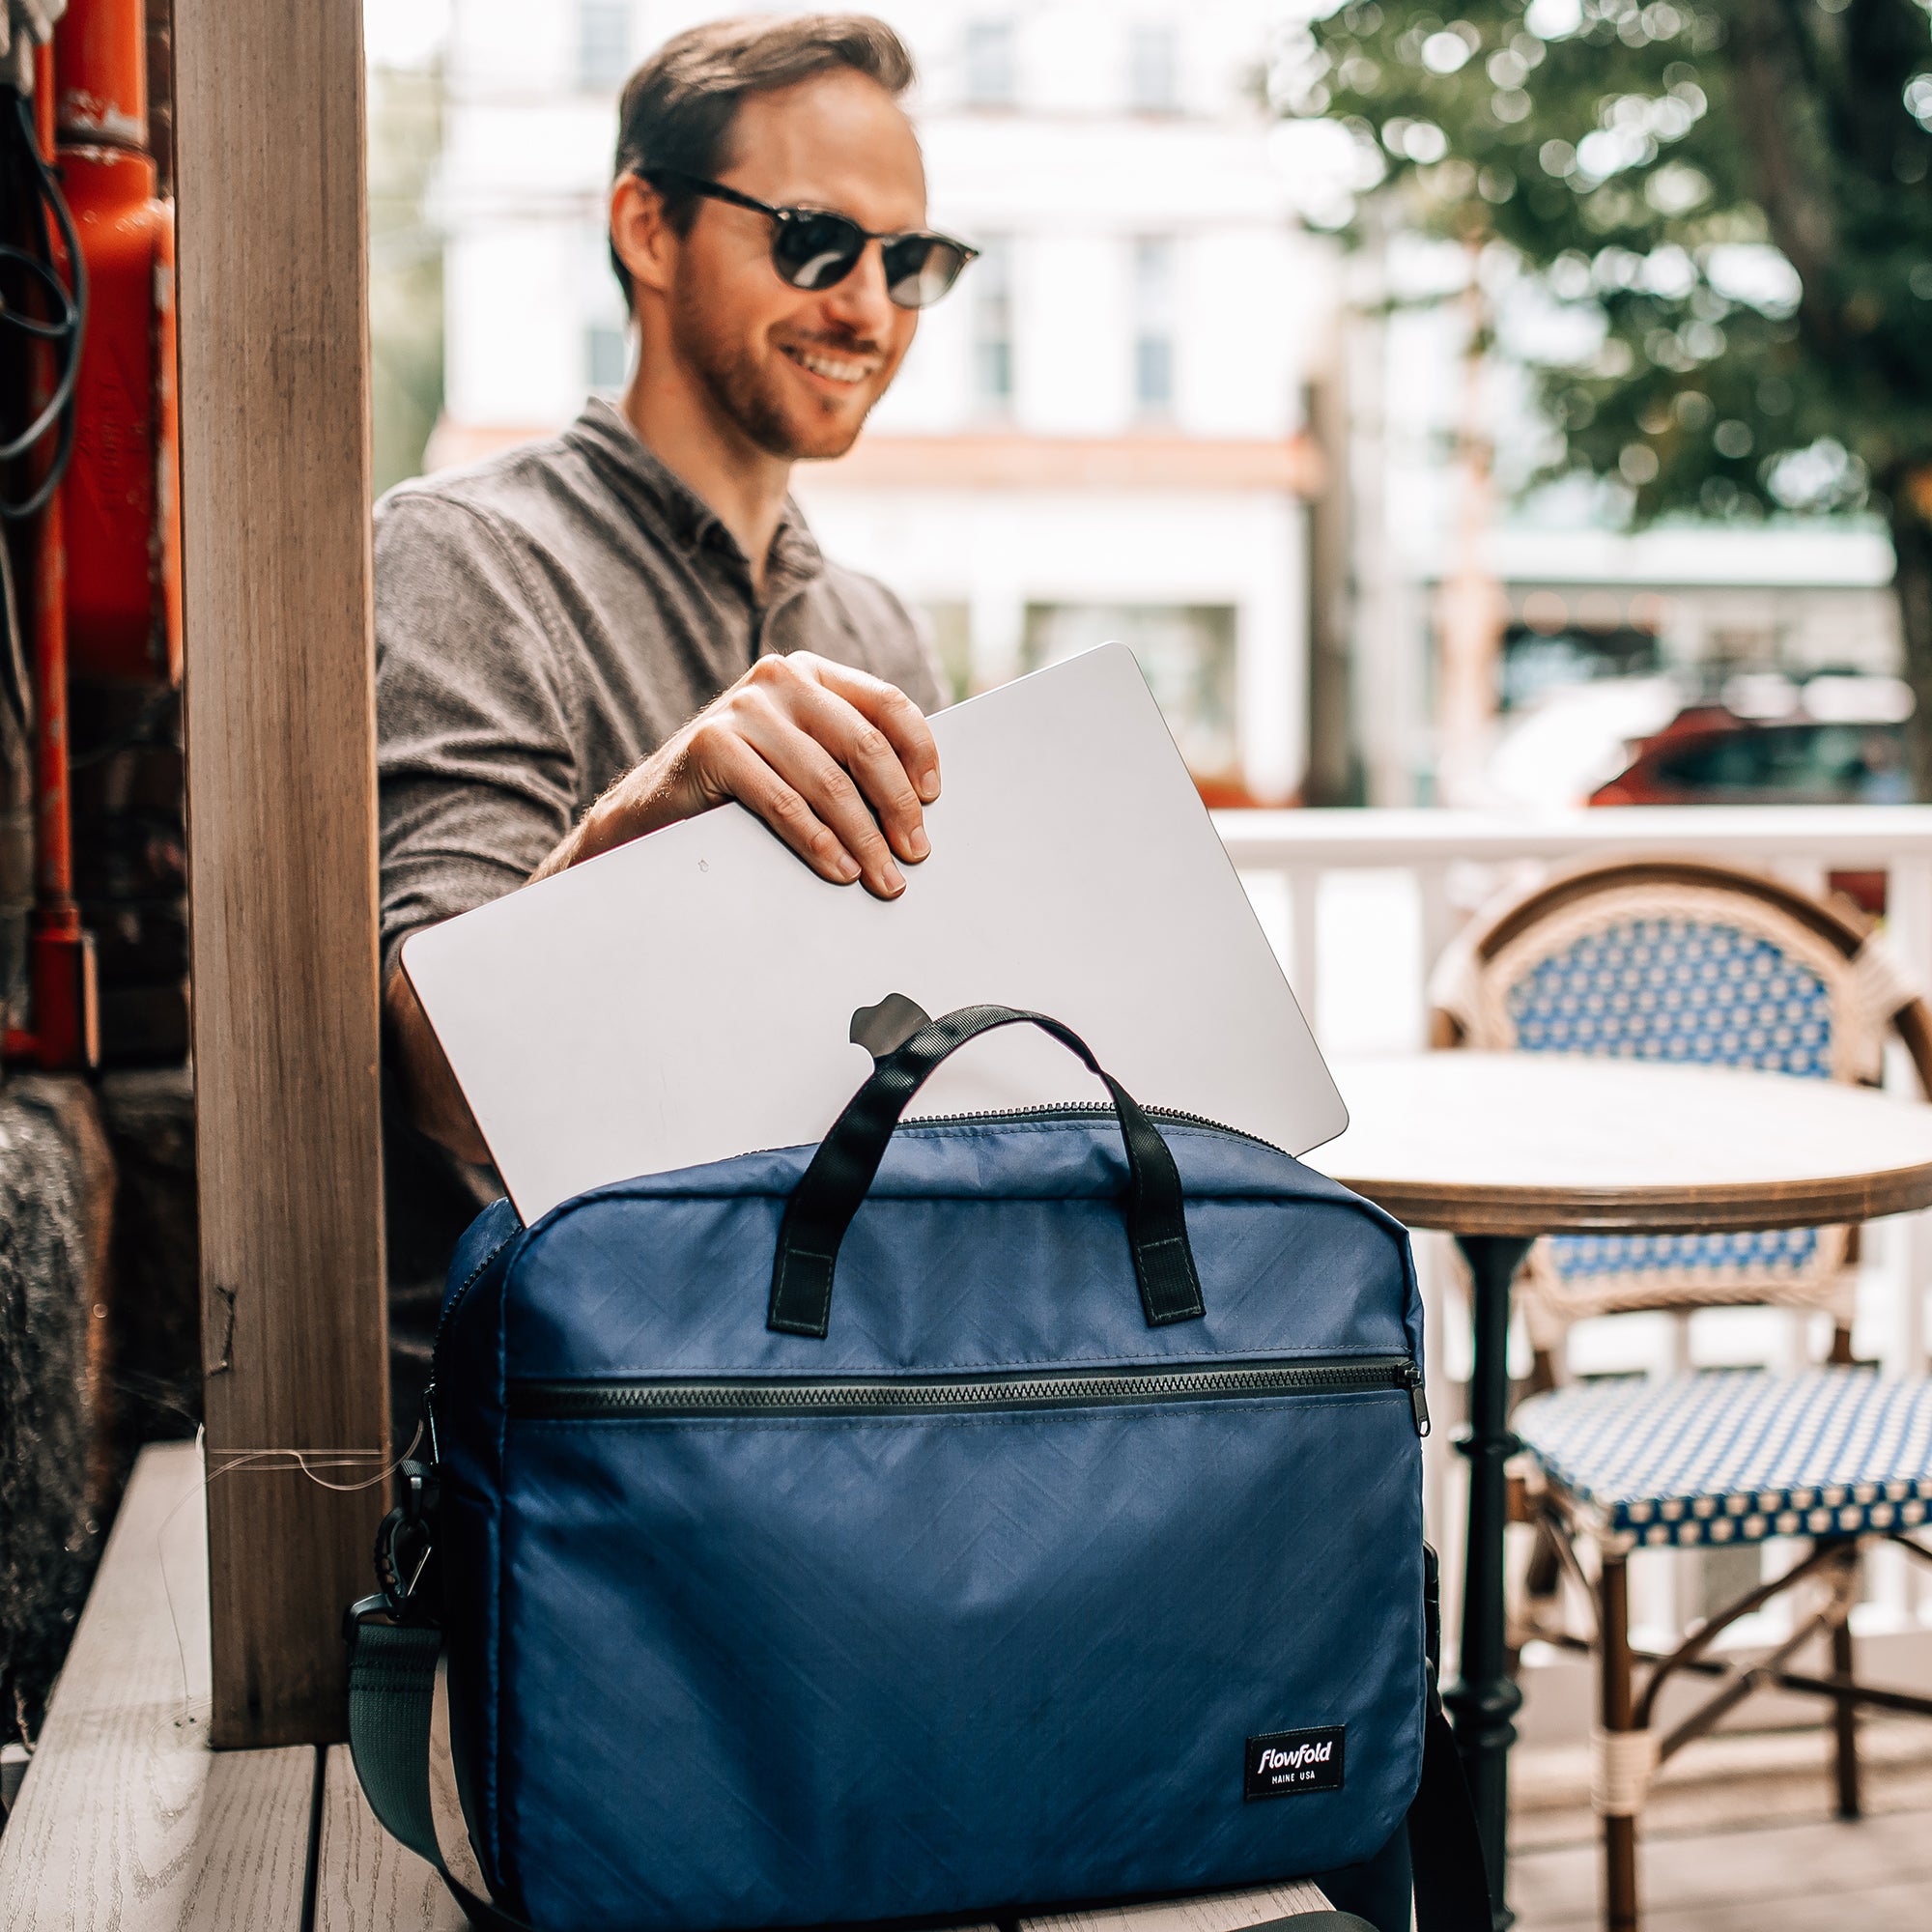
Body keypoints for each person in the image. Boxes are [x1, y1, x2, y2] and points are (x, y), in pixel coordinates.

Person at [374, 14, 973, 1419]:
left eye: (911, 262)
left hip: (833, 1362)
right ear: (647, 226)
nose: (870, 310)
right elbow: (445, 1088)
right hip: (584, 1398)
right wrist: (652, 816)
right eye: (818, 241)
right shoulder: (461, 554)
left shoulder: (880, 629)